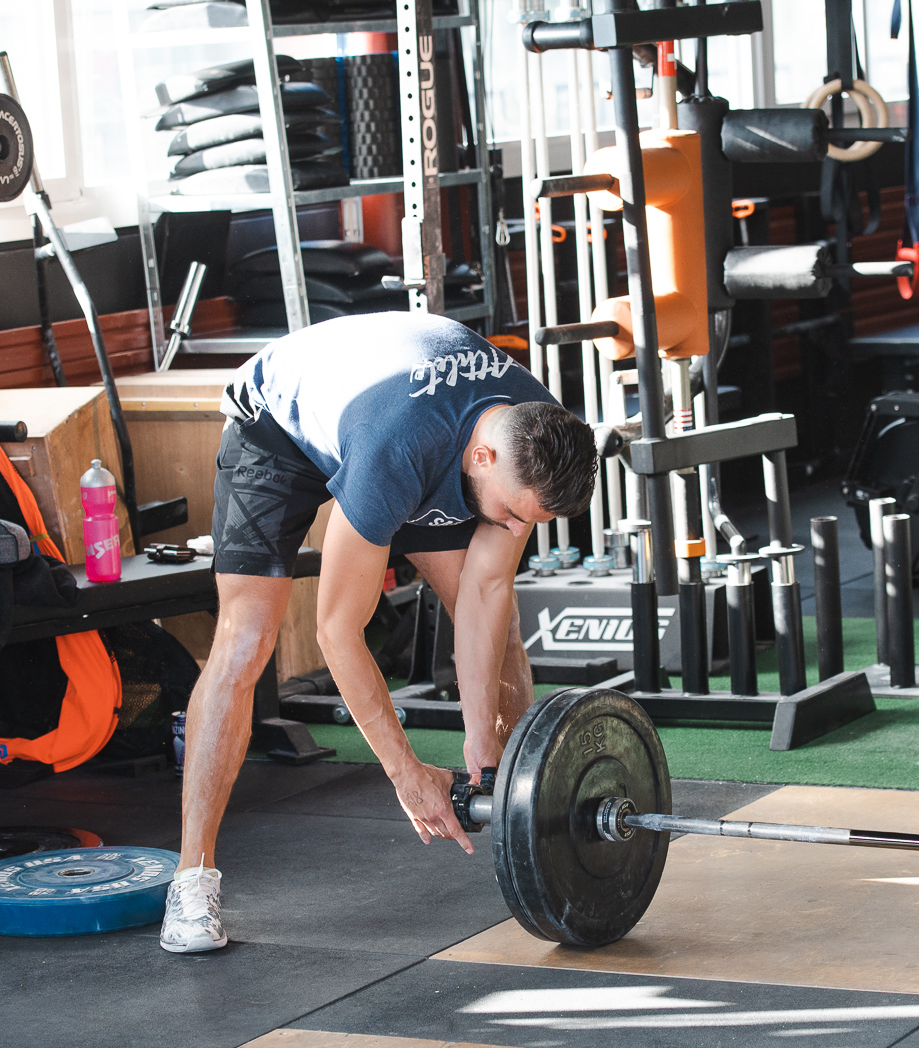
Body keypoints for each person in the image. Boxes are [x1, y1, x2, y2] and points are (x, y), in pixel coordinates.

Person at [160, 312, 597, 954]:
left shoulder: (535, 437)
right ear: (484, 458)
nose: (511, 525)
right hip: (280, 423)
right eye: (508, 511)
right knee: (247, 640)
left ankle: (527, 822)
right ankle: (191, 880)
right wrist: (406, 774)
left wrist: (484, 746)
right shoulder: (396, 450)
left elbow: (486, 591)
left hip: (422, 434)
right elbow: (338, 630)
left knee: (502, 634)